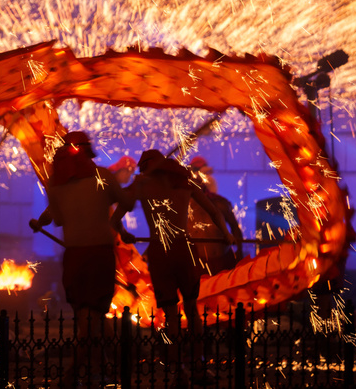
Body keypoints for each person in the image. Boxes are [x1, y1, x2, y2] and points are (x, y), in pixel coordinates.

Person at [111, 149, 237, 366]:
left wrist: (124, 233)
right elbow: (214, 212)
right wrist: (226, 235)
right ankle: (198, 365)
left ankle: (177, 369)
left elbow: (115, 218)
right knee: (192, 310)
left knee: (170, 315)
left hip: (161, 251)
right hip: (184, 249)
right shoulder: (183, 181)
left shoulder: (143, 185)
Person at [30, 132, 128, 343]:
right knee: (94, 312)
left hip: (74, 255)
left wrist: (40, 222)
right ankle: (87, 366)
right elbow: (125, 202)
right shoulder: (103, 176)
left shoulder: (55, 183)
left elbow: (56, 216)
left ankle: (108, 361)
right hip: (100, 253)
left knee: (85, 311)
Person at [188, 156, 244, 274]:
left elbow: (235, 227)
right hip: (198, 264)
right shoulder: (184, 208)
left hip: (223, 261)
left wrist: (239, 251)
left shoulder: (220, 203)